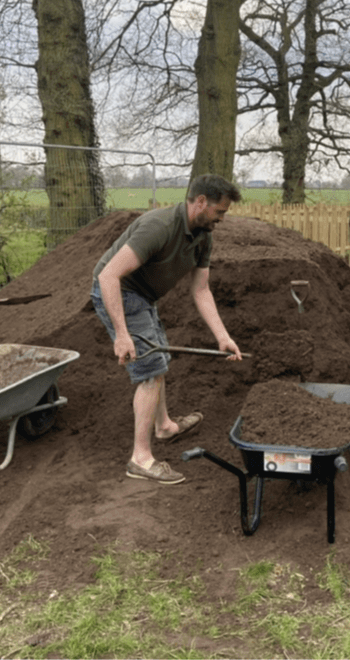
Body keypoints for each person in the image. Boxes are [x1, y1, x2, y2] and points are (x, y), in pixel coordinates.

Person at [91, 174, 244, 485]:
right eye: (220, 211)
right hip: (119, 292)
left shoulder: (203, 235)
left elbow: (201, 290)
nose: (222, 219)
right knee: (150, 371)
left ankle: (164, 427)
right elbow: (108, 276)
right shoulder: (158, 226)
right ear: (201, 202)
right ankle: (140, 458)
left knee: (159, 364)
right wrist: (122, 335)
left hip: (144, 296)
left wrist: (222, 336)